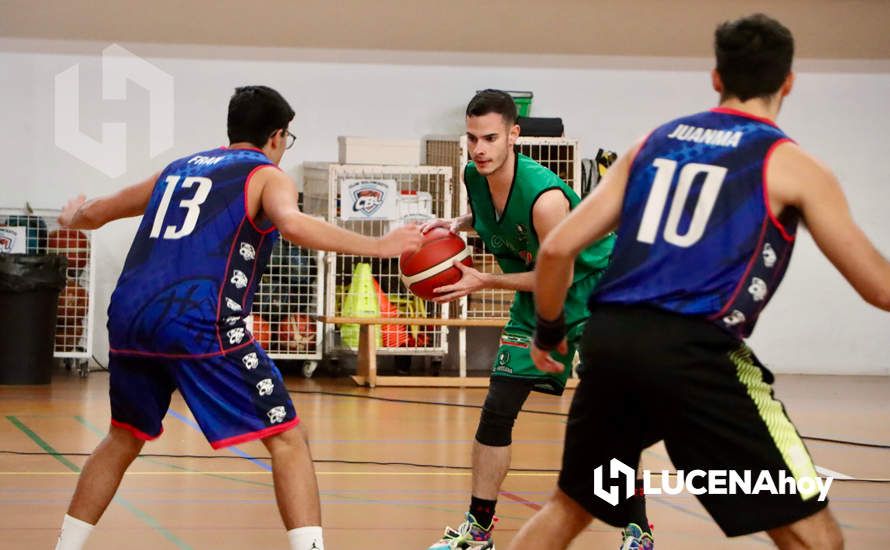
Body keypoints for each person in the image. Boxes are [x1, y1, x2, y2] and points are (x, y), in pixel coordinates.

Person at [513, 14, 890, 550]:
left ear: (716, 77)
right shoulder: (791, 164)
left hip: (611, 340)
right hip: (695, 353)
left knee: (572, 504)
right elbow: (880, 288)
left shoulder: (655, 142)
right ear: (788, 82)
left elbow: (556, 249)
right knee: (815, 534)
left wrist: (549, 328)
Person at [53, 85, 422, 550]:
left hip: (129, 317)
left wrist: (72, 217)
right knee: (289, 438)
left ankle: (64, 546)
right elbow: (292, 223)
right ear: (277, 135)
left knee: (123, 435)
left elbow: (97, 213)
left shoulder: (178, 169)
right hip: (196, 318)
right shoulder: (266, 175)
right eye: (288, 139)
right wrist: (379, 245)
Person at [424, 90, 651, 550]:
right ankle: (479, 529)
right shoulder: (474, 174)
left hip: (597, 290)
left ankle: (638, 529)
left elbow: (557, 279)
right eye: (471, 138)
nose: (479, 149)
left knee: (606, 421)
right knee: (496, 412)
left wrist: (485, 281)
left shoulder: (546, 198)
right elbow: (491, 215)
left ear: (514, 134)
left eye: (490, 138)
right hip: (539, 293)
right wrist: (459, 224)